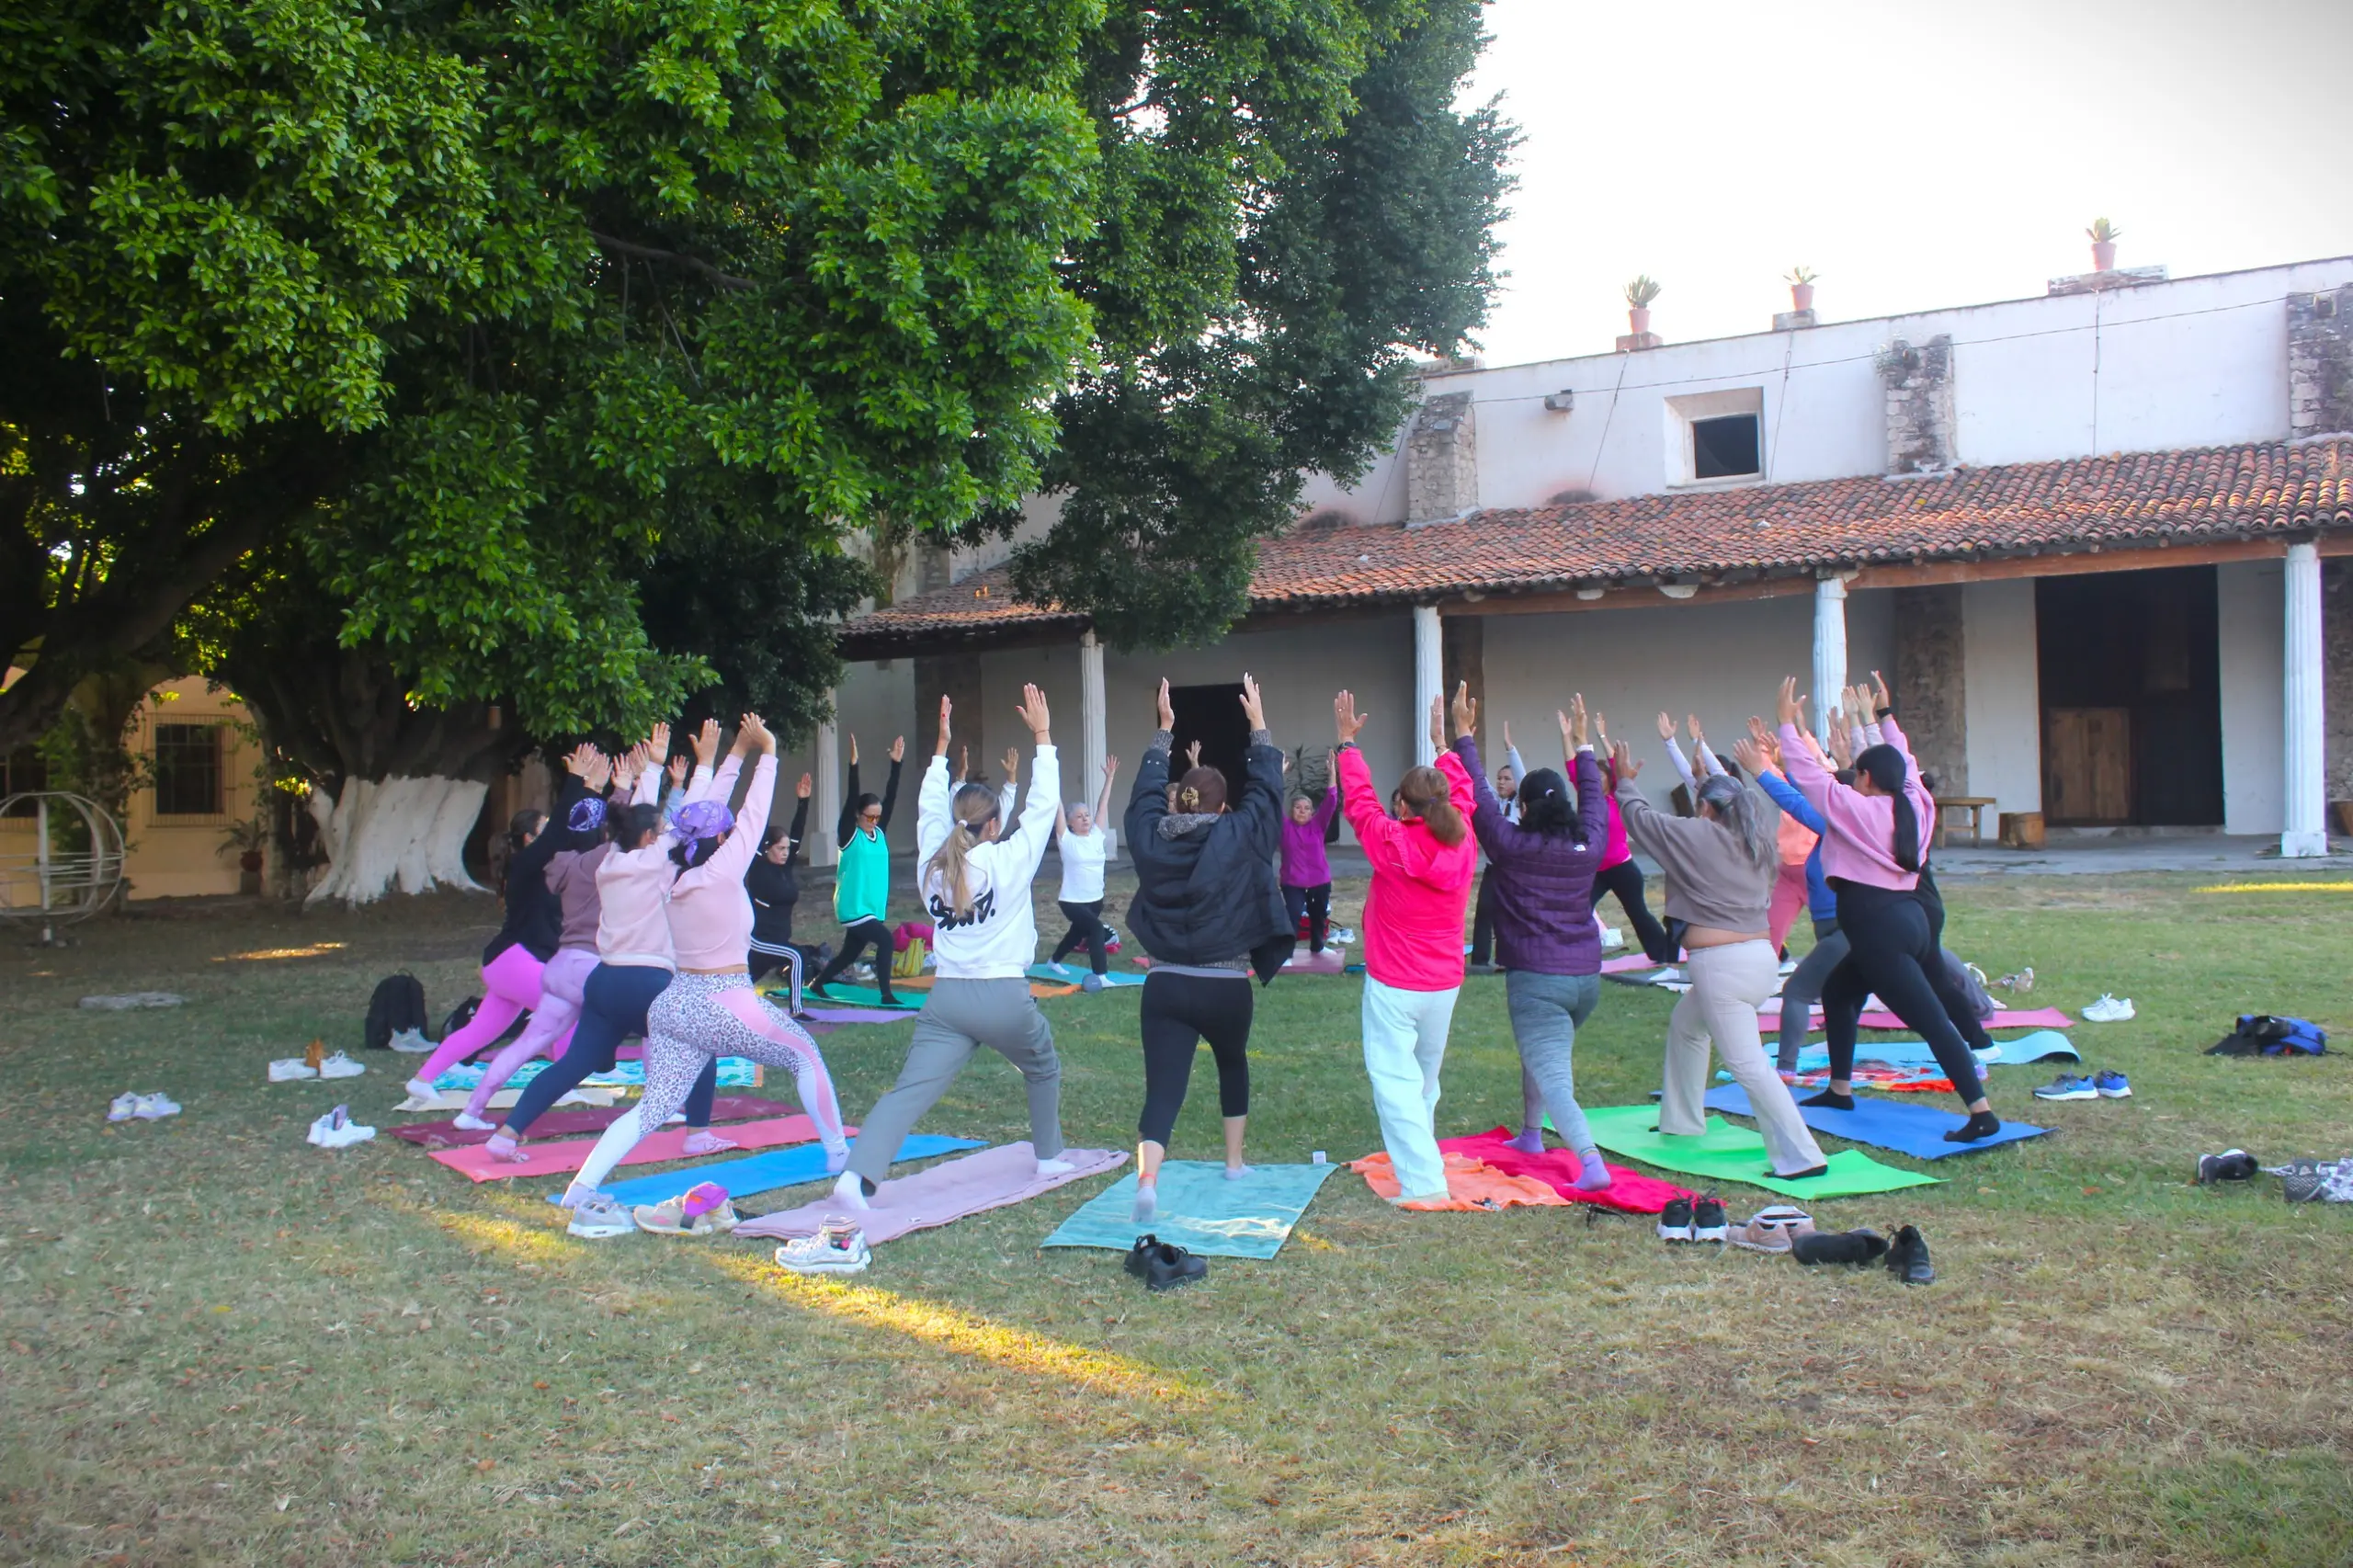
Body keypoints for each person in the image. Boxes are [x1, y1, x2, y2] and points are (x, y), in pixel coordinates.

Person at [561, 715, 850, 1230]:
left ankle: (580, 1187)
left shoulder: (667, 868)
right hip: (724, 1000)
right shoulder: (721, 871)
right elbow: (755, 813)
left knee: (649, 1110)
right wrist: (770, 752)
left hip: (675, 1005)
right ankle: (839, 1159)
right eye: (724, 828)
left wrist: (735, 754)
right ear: (720, 837)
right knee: (806, 1055)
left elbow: (694, 817)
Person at [827, 687, 1074, 1211]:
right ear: (992, 824)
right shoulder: (1009, 860)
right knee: (1043, 1066)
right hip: (1003, 996)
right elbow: (1042, 805)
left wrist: (939, 749)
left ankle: (855, 1178)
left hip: (947, 1002)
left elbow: (927, 810)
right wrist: (1043, 737)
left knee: (908, 1091)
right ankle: (1049, 1156)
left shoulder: (930, 866)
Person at [485, 722, 732, 1163]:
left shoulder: (610, 861)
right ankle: (696, 1134)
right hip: (646, 980)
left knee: (574, 1064)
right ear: (651, 838)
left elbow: (632, 819)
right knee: (702, 1047)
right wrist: (706, 764)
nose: (664, 832)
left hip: (604, 981)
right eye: (658, 830)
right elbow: (694, 813)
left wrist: (653, 770)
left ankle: (506, 1134)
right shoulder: (657, 860)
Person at [1781, 676, 2002, 1138]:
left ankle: (1981, 1113)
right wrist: (1882, 717)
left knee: (1931, 1021)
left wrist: (1788, 725)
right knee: (1839, 991)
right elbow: (1903, 757)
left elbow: (1808, 777)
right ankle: (1839, 1089)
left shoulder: (1856, 809)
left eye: (1859, 774)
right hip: (1906, 921)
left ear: (1864, 779)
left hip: (1881, 932)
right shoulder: (1917, 801)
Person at [1611, 731, 1831, 1181]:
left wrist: (1624, 781)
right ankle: (1682, 1121)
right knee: (1686, 1026)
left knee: (1747, 1064)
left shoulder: (1700, 834)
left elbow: (1640, 819)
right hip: (1757, 960)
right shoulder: (1754, 840)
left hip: (1724, 966)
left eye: (1699, 801)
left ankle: (1802, 1155)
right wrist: (1703, 776)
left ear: (1707, 809)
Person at [1123, 676, 1293, 1222]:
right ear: (1224, 808)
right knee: (1232, 1065)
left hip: (1166, 984)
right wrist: (1259, 726)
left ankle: (1149, 1178)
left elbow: (1144, 799)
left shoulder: (1151, 838)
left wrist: (1163, 735)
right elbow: (1267, 794)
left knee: (1164, 1089)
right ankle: (1235, 1163)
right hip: (1226, 987)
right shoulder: (1240, 834)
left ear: (1182, 798)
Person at [451, 743, 650, 1130]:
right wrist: (625, 785)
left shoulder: (558, 863)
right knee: (654, 1024)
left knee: (527, 1044)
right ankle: (661, 1106)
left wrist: (592, 787)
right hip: (591, 968)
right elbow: (625, 834)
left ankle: (471, 1111)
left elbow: (578, 828)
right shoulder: (600, 859)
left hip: (561, 967)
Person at [1460, 698, 1614, 1190]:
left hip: (1538, 981)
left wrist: (1464, 737)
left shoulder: (1511, 844)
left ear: (1523, 808)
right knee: (1541, 1056)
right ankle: (1531, 1134)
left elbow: (1480, 797)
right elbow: (1592, 795)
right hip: (1586, 980)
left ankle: (1591, 1164)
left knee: (1555, 1077)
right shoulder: (1588, 841)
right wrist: (1583, 743)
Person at [1338, 685, 1479, 1206]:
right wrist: (1450, 741)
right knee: (1422, 1083)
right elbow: (1462, 791)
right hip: (1443, 983)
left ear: (1403, 803)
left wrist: (1348, 745)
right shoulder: (1461, 834)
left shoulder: (1393, 840)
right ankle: (1422, 1165)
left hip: (1396, 984)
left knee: (1397, 1084)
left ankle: (1423, 1184)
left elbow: (1358, 803)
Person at [404, 743, 607, 1101]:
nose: (552, 833)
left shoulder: (551, 866)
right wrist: (577, 780)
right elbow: (562, 827)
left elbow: (579, 834)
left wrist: (596, 791)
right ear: (531, 839)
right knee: (564, 1010)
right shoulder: (528, 864)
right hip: (513, 959)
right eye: (542, 829)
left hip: (506, 962)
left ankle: (421, 1080)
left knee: (482, 1030)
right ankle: (560, 1088)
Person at [1733, 722, 1840, 1074]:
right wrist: (1772, 758)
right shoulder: (1823, 800)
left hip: (1844, 919)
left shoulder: (1835, 814)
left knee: (1801, 991)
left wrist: (1790, 727)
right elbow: (1792, 789)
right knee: (1772, 943)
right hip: (1790, 876)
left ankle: (1786, 1070)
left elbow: (1797, 798)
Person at [809, 733, 905, 1004]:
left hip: (871, 907)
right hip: (853, 906)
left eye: (877, 816)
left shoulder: (879, 833)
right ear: (858, 815)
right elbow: (852, 798)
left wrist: (896, 764)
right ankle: (886, 994)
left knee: (849, 954)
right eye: (869, 816)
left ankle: (818, 983)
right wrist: (854, 765)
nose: (874, 820)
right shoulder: (850, 835)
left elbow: (892, 795)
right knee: (885, 941)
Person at [1587, 710, 1678, 965]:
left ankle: (1662, 954)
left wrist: (1602, 735)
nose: (1595, 778)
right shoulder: (1589, 802)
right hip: (1596, 869)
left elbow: (1618, 766)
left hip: (1622, 868)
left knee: (1637, 912)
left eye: (1601, 774)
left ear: (1609, 778)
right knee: (1580, 909)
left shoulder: (1618, 797)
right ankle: (1583, 953)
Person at [1047, 755, 1120, 991]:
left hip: (1094, 900)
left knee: (1076, 934)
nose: (1085, 818)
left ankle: (1053, 961)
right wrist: (1051, 779)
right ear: (1069, 823)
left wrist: (1109, 778)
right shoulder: (1066, 840)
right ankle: (1101, 974)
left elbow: (1103, 805)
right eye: (1079, 816)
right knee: (1096, 929)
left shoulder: (1097, 834)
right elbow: (1058, 808)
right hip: (1072, 901)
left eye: (1086, 815)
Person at [746, 770, 816, 1011]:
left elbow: (797, 834)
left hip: (777, 940)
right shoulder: (757, 868)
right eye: (780, 848)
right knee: (797, 956)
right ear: (767, 849)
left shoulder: (785, 869)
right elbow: (758, 825)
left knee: (740, 985)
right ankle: (797, 1011)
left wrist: (803, 801)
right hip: (759, 940)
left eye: (787, 848)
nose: (785, 852)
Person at [1464, 725, 1528, 972]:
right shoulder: (1495, 801)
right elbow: (1477, 780)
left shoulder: (1522, 800)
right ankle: (1480, 961)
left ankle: (1512, 959)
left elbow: (1523, 777)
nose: (1501, 783)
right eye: (1499, 778)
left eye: (1506, 779)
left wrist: (1511, 750)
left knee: (1512, 915)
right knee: (1484, 912)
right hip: (1494, 868)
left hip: (1516, 869)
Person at [1279, 752, 1339, 956]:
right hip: (1292, 882)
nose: (1302, 811)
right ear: (1291, 811)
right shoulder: (1284, 827)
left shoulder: (1318, 825)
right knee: (1293, 915)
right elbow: (1271, 802)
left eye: (1306, 808)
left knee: (1318, 916)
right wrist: (1279, 776)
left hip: (1319, 880)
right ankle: (1286, 953)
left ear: (1313, 812)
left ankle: (1318, 946)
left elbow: (1331, 799)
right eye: (1298, 807)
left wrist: (1332, 772)